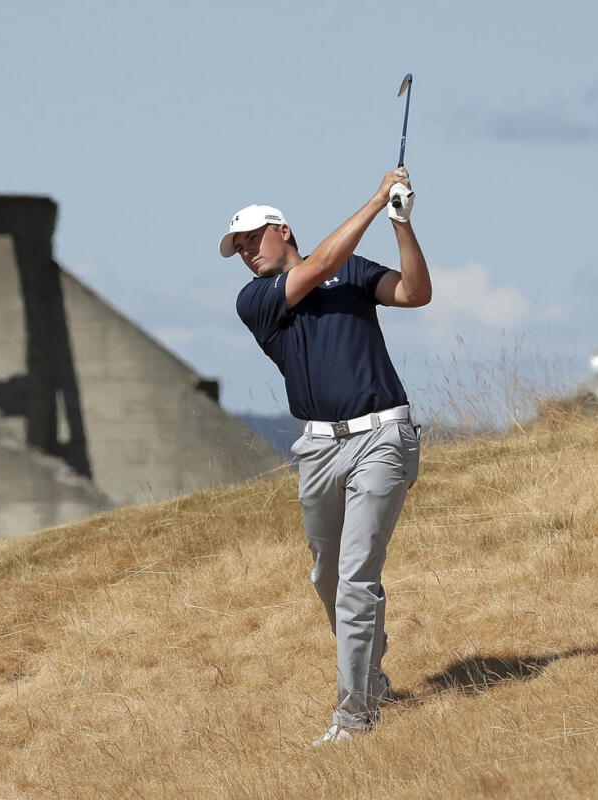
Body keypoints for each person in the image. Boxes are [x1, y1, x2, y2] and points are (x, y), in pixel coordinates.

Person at [221, 168, 431, 745]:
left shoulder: (353, 270)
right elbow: (315, 269)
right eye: (237, 248)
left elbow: (415, 293)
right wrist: (373, 199)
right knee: (327, 577)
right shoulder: (256, 299)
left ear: (281, 229)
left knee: (357, 578)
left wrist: (401, 224)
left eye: (251, 240)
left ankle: (355, 716)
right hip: (317, 449)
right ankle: (369, 673)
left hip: (383, 438)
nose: (245, 254)